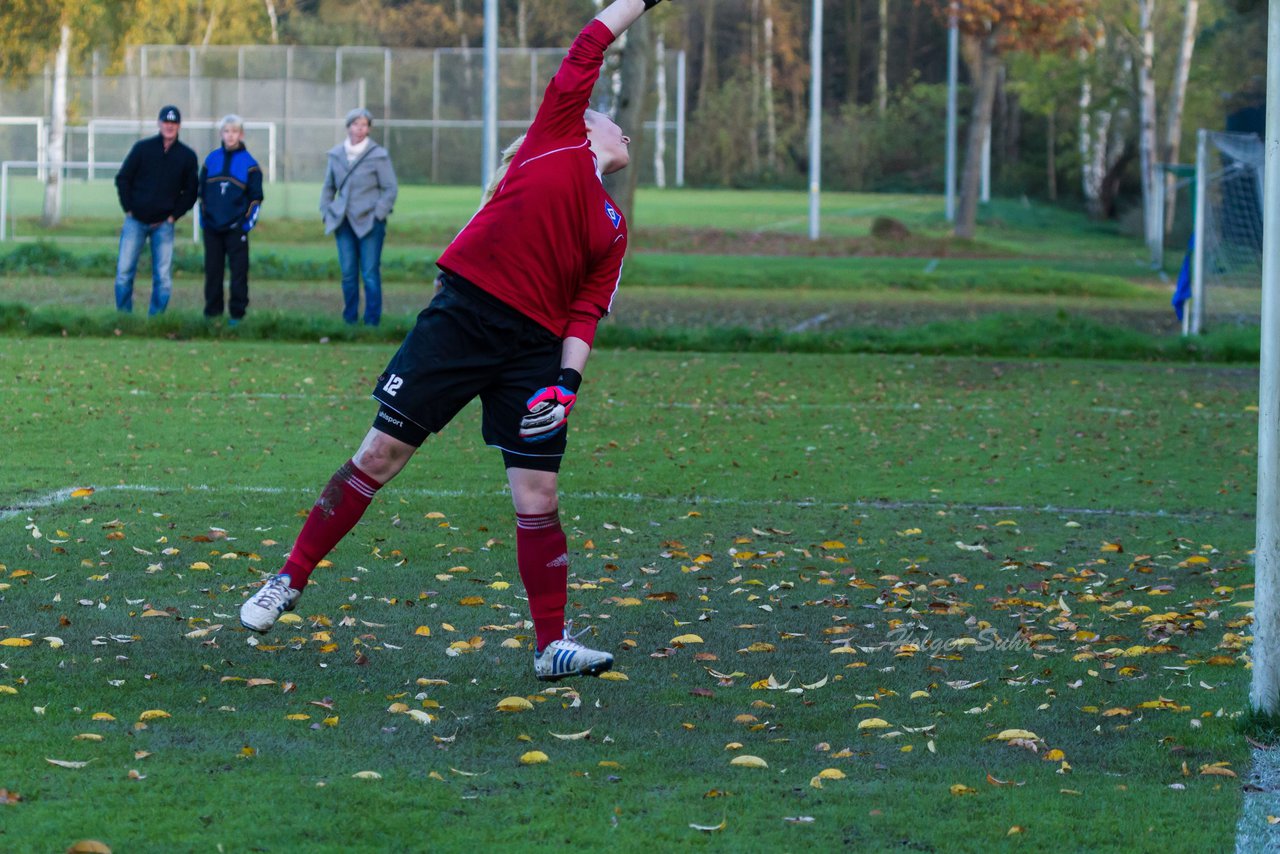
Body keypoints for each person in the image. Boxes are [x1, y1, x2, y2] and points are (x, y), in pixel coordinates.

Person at [242, 0, 668, 682]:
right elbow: (590, 43)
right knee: (379, 455)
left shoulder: (614, 223)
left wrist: (568, 383)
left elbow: (587, 308)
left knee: (538, 496)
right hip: (464, 318)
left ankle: (551, 645)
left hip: (532, 352)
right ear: (587, 123)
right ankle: (287, 580)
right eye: (610, 116)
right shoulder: (555, 133)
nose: (621, 126)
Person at [113, 105, 199, 315]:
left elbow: (191, 191)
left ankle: (157, 319)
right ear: (159, 123)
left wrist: (173, 216)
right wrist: (129, 208)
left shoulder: (187, 156)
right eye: (166, 122)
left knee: (162, 276)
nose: (169, 127)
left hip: (164, 225)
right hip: (136, 221)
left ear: (179, 126)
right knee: (124, 272)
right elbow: (123, 178)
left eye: (173, 123)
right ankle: (124, 317)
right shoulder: (143, 149)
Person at [320, 108, 398, 326]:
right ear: (348, 127)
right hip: (343, 222)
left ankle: (372, 322)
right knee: (348, 274)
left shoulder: (378, 155)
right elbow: (328, 187)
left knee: (370, 274)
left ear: (369, 129)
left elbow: (390, 189)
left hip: (369, 223)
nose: (359, 129)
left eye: (364, 125)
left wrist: (378, 214)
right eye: (355, 124)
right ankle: (350, 321)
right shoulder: (336, 155)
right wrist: (327, 211)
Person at [199, 114, 264, 326]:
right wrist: (205, 220)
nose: (230, 135)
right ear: (221, 134)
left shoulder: (250, 165)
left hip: (236, 229)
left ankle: (237, 315)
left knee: (238, 273)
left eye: (234, 131)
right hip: (212, 228)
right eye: (226, 131)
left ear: (241, 134)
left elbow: (256, 199)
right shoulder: (211, 160)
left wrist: (244, 225)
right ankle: (212, 315)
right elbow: (201, 193)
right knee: (213, 273)